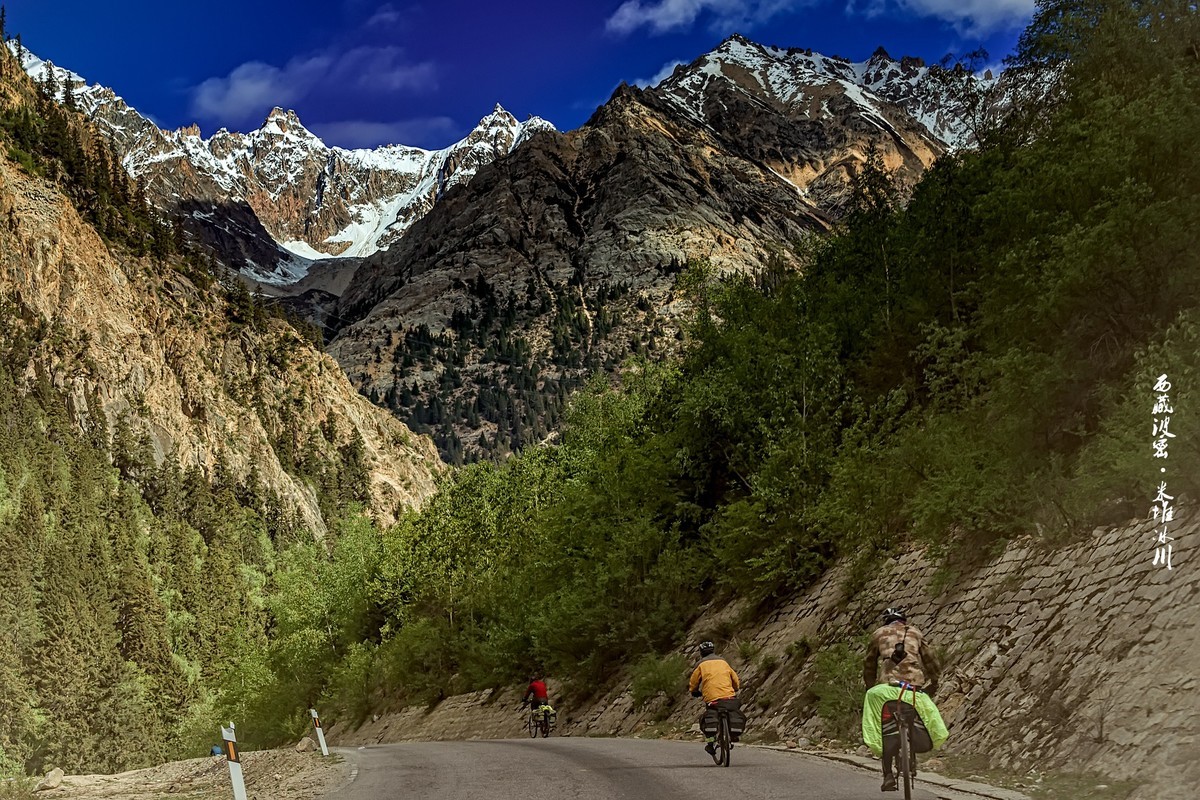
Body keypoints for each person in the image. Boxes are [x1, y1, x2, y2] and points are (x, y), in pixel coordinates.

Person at [862, 607, 947, 792]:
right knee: (919, 716)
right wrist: (935, 680)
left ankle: (887, 776)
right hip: (913, 686)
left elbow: (869, 663)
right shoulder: (915, 633)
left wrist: (870, 686)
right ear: (904, 621)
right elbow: (930, 659)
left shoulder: (878, 634)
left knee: (883, 728)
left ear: (887, 621)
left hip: (887, 688)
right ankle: (912, 753)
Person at [688, 641, 740, 756]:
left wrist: (694, 691)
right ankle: (733, 734)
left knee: (709, 718)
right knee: (732, 712)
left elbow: (694, 682)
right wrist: (735, 688)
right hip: (729, 696)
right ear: (713, 651)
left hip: (712, 698)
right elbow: (735, 678)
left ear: (701, 653)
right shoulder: (723, 662)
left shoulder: (701, 664)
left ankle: (710, 744)